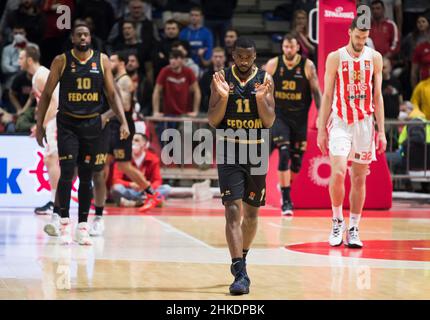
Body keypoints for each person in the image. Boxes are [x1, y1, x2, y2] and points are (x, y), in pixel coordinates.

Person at [36, 22, 130, 245]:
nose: (83, 38)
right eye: (79, 35)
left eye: (86, 34)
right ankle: (63, 222)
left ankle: (83, 225)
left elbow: (112, 93)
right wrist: (39, 125)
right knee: (67, 172)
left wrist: (123, 120)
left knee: (88, 177)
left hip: (92, 126)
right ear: (72, 38)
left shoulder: (102, 60)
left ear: (90, 37)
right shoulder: (61, 60)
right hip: (68, 124)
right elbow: (47, 94)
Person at [208, 37, 275, 295]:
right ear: (233, 56)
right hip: (228, 149)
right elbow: (213, 120)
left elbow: (269, 120)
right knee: (232, 211)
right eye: (239, 56)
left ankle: (242, 258)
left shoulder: (266, 79)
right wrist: (223, 98)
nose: (244, 61)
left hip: (257, 149)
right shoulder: (220, 78)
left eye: (248, 57)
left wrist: (261, 100)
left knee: (252, 213)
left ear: (254, 56)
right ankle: (239, 271)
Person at [317, 17, 387, 249]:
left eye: (365, 37)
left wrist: (382, 132)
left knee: (358, 178)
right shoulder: (335, 57)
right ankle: (337, 220)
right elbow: (327, 95)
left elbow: (378, 96)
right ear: (350, 32)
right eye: (357, 36)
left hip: (365, 124)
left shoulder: (375, 58)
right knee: (338, 173)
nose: (360, 41)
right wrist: (321, 129)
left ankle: (354, 227)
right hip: (340, 121)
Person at [88, 51, 154, 236]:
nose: (109, 62)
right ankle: (101, 196)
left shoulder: (124, 81)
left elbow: (123, 107)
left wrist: (105, 115)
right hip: (112, 126)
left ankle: (151, 193)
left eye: (114, 60)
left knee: (124, 165)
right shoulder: (115, 79)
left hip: (121, 126)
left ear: (122, 63)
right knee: (104, 162)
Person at [264, 32, 322, 216]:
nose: (288, 50)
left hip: (299, 119)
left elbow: (316, 92)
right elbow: (261, 88)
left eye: (292, 47)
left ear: (298, 48)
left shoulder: (307, 66)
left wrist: (321, 114)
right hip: (279, 116)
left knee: (296, 163)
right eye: (285, 47)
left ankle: (284, 185)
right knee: (283, 153)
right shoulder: (274, 64)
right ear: (283, 48)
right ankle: (286, 200)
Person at [17, 45, 60, 216]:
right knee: (52, 160)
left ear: (29, 59)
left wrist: (43, 124)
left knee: (52, 159)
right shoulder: (39, 75)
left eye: (20, 58)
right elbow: (44, 103)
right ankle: (57, 202)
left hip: (56, 120)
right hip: (53, 120)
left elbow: (55, 102)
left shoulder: (41, 75)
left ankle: (55, 205)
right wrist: (39, 124)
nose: (18, 61)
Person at [111, 133, 171, 207]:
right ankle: (147, 201)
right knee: (117, 188)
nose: (133, 143)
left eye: (137, 140)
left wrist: (148, 186)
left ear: (145, 145)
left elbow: (158, 180)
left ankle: (134, 202)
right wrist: (130, 184)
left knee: (166, 188)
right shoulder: (123, 158)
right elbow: (116, 180)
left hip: (147, 191)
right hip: (131, 190)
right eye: (131, 140)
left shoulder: (153, 159)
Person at [152, 49, 201, 119]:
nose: (173, 61)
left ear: (182, 60)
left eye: (176, 58)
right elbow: (156, 90)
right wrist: (155, 111)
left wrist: (195, 111)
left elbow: (197, 91)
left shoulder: (188, 72)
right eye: (171, 58)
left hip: (185, 114)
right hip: (168, 114)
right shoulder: (164, 71)